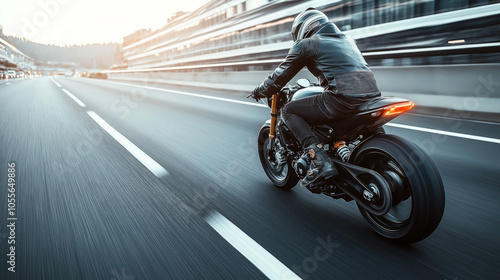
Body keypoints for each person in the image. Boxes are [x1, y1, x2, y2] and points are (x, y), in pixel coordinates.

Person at [251, 7, 381, 187]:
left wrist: (260, 90)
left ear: (303, 29)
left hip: (342, 100)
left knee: (289, 111)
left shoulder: (307, 44)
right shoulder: (347, 39)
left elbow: (280, 76)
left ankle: (320, 161)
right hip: (372, 96)